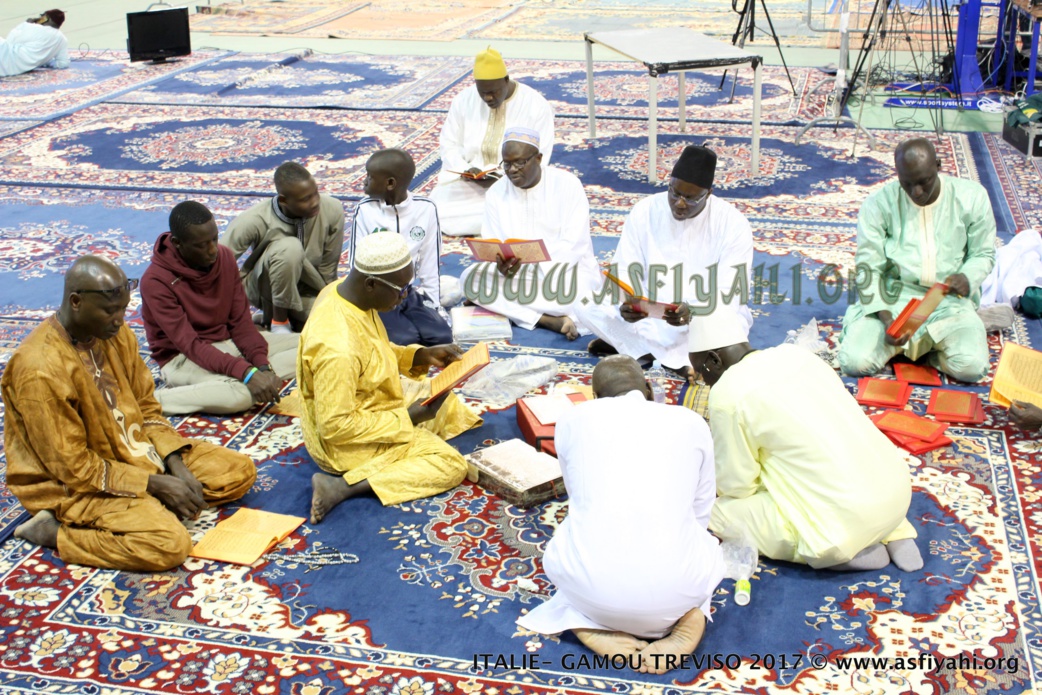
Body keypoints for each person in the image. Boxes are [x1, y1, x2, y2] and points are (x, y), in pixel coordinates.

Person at [2, 256, 256, 572]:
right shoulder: (39, 368)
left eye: (124, 308)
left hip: (137, 459)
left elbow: (146, 406)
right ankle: (55, 533)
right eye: (111, 311)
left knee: (238, 471)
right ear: (76, 302)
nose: (121, 320)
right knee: (169, 545)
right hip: (74, 485)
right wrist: (152, 484)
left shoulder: (115, 335)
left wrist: (174, 463)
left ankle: (148, 507)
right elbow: (73, 467)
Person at [517, 355, 724, 675]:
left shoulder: (573, 419)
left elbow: (578, 498)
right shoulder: (691, 421)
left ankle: (585, 619)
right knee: (706, 546)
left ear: (594, 396)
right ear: (649, 389)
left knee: (573, 530)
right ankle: (691, 615)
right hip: (676, 591)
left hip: (591, 591)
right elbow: (701, 509)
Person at [689, 310, 923, 572]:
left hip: (843, 525)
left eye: (701, 372)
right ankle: (893, 531)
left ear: (713, 359)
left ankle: (847, 552)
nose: (703, 381)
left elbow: (737, 486)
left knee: (714, 510)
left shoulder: (727, 392)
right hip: (897, 492)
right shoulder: (796, 354)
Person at [299, 233, 482, 525]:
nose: (406, 296)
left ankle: (411, 446)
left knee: (440, 396)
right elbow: (334, 426)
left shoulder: (341, 292)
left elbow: (372, 348)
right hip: (342, 445)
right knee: (450, 465)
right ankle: (342, 486)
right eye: (402, 289)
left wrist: (419, 356)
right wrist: (406, 418)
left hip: (366, 403)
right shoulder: (338, 349)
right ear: (371, 284)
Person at [578, 144, 753, 374]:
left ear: (708, 194)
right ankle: (665, 358)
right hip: (649, 314)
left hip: (698, 318)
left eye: (690, 199)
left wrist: (692, 312)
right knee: (583, 301)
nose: (680, 204)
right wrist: (627, 303)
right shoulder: (645, 210)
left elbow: (731, 291)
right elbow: (625, 267)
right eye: (674, 193)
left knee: (730, 329)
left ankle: (635, 350)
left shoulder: (733, 224)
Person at [839, 137, 996, 382]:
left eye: (924, 182)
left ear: (939, 165)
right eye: (907, 184)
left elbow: (983, 253)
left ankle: (920, 351)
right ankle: (920, 347)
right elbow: (868, 267)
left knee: (972, 368)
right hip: (894, 300)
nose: (917, 192)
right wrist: (886, 318)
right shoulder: (878, 204)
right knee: (854, 362)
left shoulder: (972, 198)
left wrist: (968, 277)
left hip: (947, 301)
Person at [141, 200, 299, 416]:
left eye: (214, 239)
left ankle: (256, 376)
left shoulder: (223, 258)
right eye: (201, 245)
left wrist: (261, 367)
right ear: (178, 243)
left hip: (228, 343)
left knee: (314, 345)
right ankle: (148, 403)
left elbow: (241, 324)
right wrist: (245, 372)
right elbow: (191, 346)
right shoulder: (155, 281)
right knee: (243, 395)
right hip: (182, 359)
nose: (213, 249)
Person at [459, 126, 600, 340]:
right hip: (516, 277)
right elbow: (492, 241)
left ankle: (511, 309)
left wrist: (538, 265)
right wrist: (500, 264)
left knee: (584, 299)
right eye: (507, 164)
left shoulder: (568, 185)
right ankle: (547, 320)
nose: (512, 170)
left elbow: (575, 245)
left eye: (519, 162)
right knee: (469, 279)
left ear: (538, 158)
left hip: (562, 275)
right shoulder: (497, 192)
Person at [430, 46, 555, 237]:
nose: (488, 97)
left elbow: (541, 155)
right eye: (483, 93)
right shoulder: (464, 100)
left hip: (512, 183)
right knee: (436, 210)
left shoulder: (535, 105)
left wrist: (505, 176)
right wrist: (464, 168)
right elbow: (449, 143)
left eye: (494, 92)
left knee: (522, 212)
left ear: (506, 80)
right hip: (468, 183)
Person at [222, 162, 345, 333]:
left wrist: (332, 304)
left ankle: (273, 321)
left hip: (306, 292)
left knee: (341, 322)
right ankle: (279, 321)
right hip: (264, 289)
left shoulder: (332, 209)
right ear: (283, 200)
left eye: (315, 193)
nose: (315, 202)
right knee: (290, 248)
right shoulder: (254, 219)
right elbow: (218, 261)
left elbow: (328, 270)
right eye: (305, 199)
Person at [351, 148, 452, 346]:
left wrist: (434, 306)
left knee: (441, 337)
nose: (363, 182)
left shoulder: (426, 209)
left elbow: (430, 263)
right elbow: (356, 264)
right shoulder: (365, 210)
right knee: (404, 340)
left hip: (407, 291)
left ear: (390, 183)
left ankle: (408, 318)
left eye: (370, 177)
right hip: (379, 294)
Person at [0, 10, 69, 78]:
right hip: (17, 69)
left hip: (6, 58)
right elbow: (63, 63)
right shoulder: (63, 39)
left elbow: (10, 40)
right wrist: (46, 61)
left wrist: (25, 24)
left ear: (47, 19)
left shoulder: (35, 28)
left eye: (42, 16)